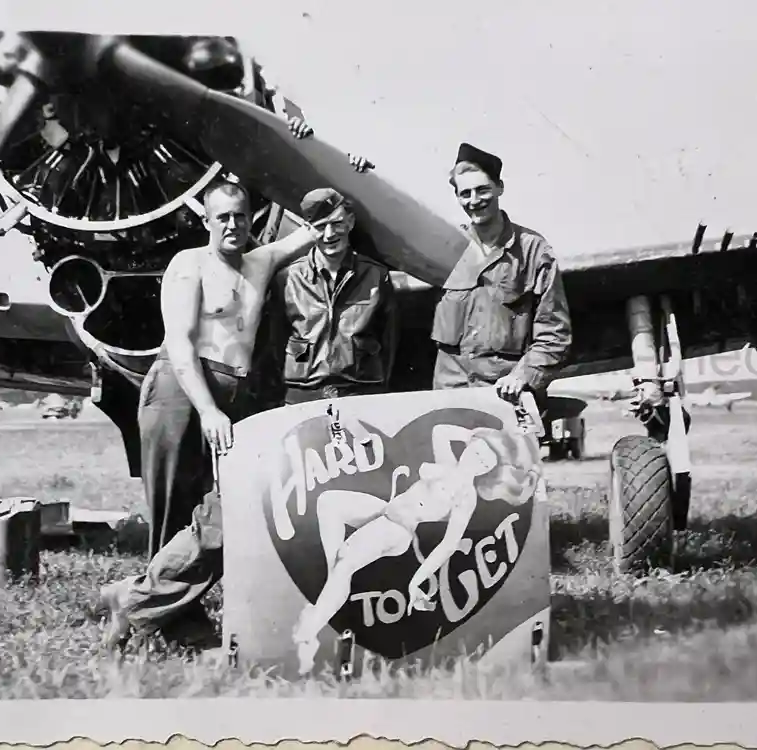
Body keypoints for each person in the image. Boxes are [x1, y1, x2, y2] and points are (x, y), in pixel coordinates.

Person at [99, 119, 374, 652]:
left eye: (241, 217)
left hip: (234, 396)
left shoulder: (261, 260)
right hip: (183, 391)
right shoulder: (188, 265)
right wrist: (206, 409)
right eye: (222, 217)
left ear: (252, 220)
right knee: (175, 511)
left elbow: (317, 219)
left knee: (231, 510)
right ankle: (170, 619)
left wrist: (328, 160)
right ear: (205, 220)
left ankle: (134, 601)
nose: (232, 225)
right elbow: (179, 344)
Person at [290, 421, 540, 674]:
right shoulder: (446, 463)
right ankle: (329, 594)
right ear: (470, 445)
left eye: (485, 463)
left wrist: (415, 582)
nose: (477, 461)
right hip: (384, 510)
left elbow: (448, 545)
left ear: (488, 471)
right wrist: (474, 435)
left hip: (398, 529)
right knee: (329, 503)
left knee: (345, 565)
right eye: (477, 452)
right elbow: (440, 430)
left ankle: (308, 634)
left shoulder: (466, 498)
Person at [430, 142, 572, 402]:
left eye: (482, 190)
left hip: (507, 395)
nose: (474, 201)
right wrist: (358, 173)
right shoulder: (447, 247)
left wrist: (523, 376)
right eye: (465, 194)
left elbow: (554, 333)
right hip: (450, 395)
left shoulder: (532, 250)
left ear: (499, 188)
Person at [269, 188, 398, 405]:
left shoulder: (376, 276)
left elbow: (390, 339)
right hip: (303, 393)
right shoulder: (288, 279)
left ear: (350, 222)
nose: (329, 234)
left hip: (361, 391)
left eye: (336, 223)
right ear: (309, 229)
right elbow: (276, 339)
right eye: (320, 227)